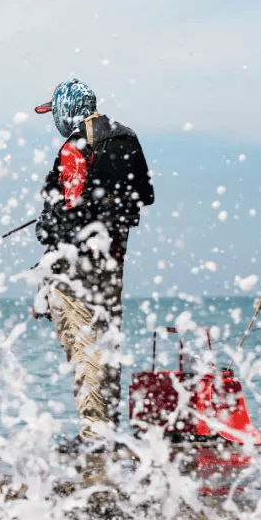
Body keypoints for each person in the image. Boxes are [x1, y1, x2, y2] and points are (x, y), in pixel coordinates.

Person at [32, 78, 154, 448]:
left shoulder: (75, 147)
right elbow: (143, 196)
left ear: (66, 109)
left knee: (84, 346)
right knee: (106, 343)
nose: (53, 119)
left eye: (54, 111)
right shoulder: (126, 139)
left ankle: (95, 435)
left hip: (76, 267)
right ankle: (108, 430)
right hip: (112, 260)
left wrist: (47, 221)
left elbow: (67, 215)